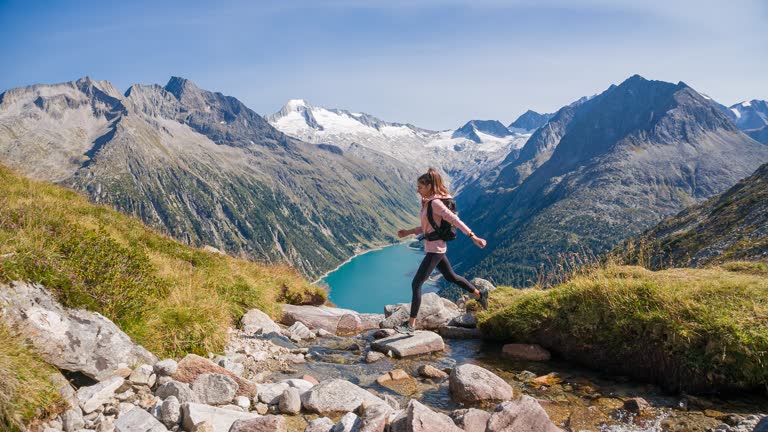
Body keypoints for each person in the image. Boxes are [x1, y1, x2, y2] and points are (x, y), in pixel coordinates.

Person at [395, 168, 488, 335]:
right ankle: (480, 294)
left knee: (416, 283)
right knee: (451, 276)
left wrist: (473, 236)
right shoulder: (428, 202)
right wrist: (408, 232)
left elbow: (455, 220)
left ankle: (410, 325)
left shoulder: (436, 203)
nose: (418, 190)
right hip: (435, 247)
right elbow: (427, 228)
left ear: (430, 186)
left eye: (421, 187)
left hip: (435, 250)